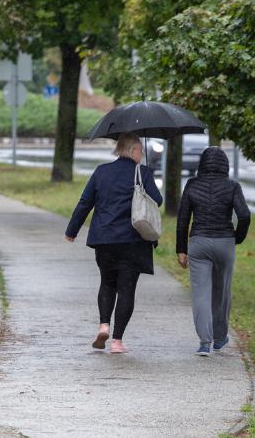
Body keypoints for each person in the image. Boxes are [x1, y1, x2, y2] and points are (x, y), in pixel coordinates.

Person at [65, 132, 163, 354]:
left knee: (107, 282)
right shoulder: (143, 173)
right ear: (132, 151)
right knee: (126, 289)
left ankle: (103, 325)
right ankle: (117, 342)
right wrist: (143, 185)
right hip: (133, 240)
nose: (142, 154)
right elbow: (158, 200)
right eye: (140, 150)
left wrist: (72, 230)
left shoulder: (102, 172)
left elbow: (85, 202)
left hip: (105, 239)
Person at [176, 146, 250, 356]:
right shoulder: (232, 186)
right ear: (224, 165)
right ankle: (220, 338)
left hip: (198, 243)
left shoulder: (192, 184)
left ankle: (204, 342)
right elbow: (244, 215)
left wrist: (181, 250)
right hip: (225, 242)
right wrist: (238, 238)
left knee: (200, 292)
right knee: (222, 291)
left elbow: (182, 221)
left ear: (202, 164)